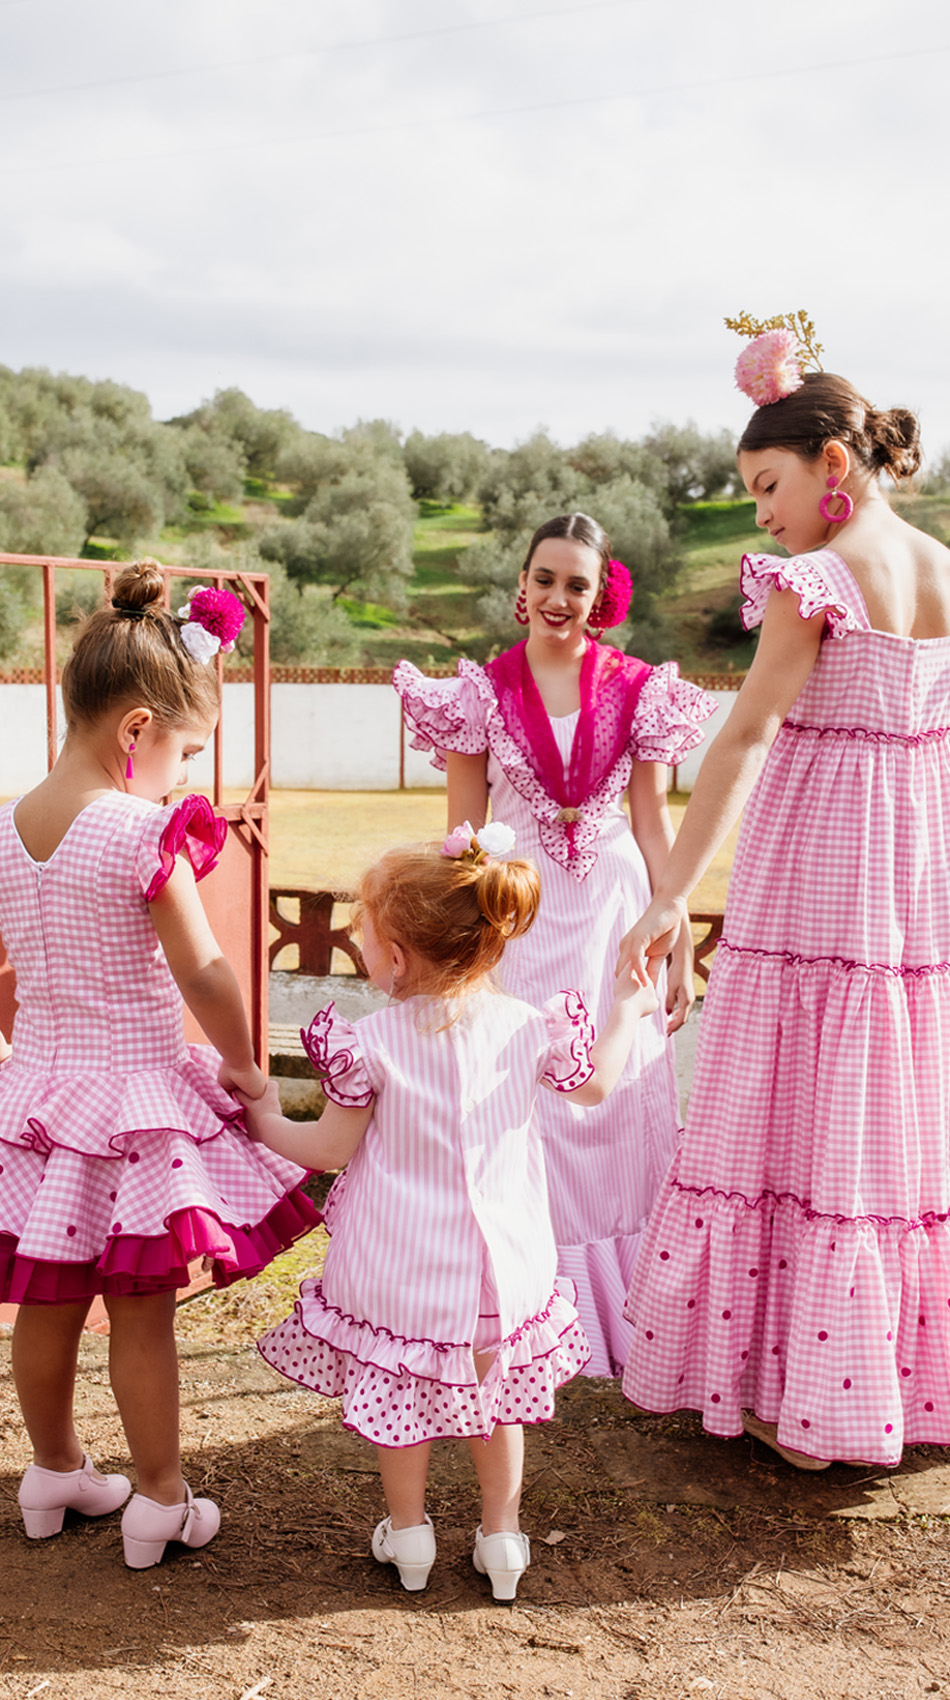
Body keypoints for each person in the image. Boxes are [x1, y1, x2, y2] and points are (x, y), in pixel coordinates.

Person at [620, 324, 950, 1470]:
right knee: (886, 1098)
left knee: (793, 1093)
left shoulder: (815, 580)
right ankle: (878, 1385)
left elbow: (747, 731)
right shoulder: (940, 567)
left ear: (831, 464)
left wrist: (669, 891)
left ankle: (808, 1401)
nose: (758, 512)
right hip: (911, 867)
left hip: (819, 863)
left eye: (767, 484)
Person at [243, 826, 659, 1601]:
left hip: (400, 1272)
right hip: (504, 1272)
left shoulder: (372, 1043)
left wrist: (265, 1114)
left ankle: (409, 1537)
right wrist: (629, 1008)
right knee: (496, 1401)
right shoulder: (528, 1027)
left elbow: (327, 1149)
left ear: (398, 957)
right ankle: (502, 1538)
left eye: (365, 937)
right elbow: (597, 1085)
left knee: (403, 1400)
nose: (360, 948)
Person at [0, 560, 319, 1565]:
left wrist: (22, 1053)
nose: (184, 775)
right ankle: (160, 1497)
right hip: (132, 1105)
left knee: (48, 1297)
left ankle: (54, 1469)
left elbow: (5, 972)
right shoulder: (143, 831)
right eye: (185, 752)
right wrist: (246, 1066)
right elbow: (208, 971)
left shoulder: (6, 827)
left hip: (37, 1095)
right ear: (136, 729)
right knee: (140, 1310)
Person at [393, 514, 715, 1375]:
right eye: (545, 579)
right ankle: (527, 1305)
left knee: (619, 1098)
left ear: (599, 594)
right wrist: (445, 950)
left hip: (618, 913)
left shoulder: (639, 689)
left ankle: (634, 1318)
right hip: (518, 918)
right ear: (522, 585)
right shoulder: (480, 693)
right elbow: (463, 839)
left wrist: (680, 938)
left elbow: (653, 823)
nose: (558, 598)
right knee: (527, 1096)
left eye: (577, 583)